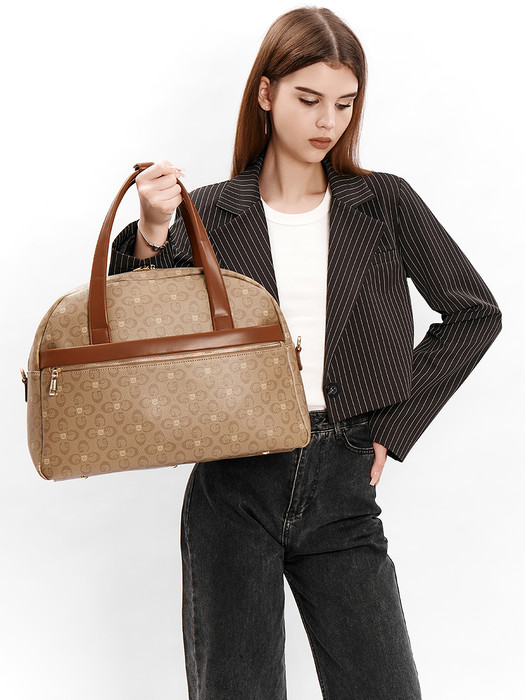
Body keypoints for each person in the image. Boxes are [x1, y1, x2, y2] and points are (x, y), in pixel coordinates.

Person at [108, 7, 502, 699]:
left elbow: (474, 314)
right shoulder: (209, 213)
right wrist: (151, 228)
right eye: (309, 99)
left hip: (342, 479)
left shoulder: (383, 203)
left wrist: (392, 428)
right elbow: (131, 333)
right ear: (266, 94)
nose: (328, 121)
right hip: (233, 484)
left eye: (344, 104)